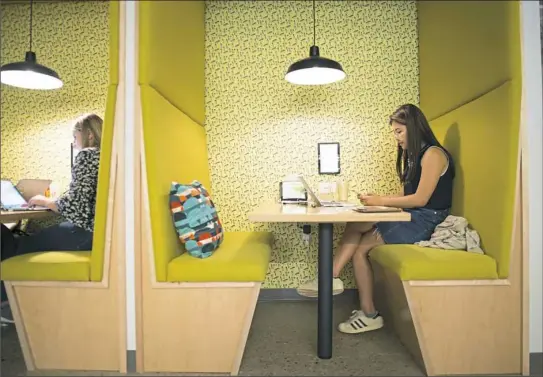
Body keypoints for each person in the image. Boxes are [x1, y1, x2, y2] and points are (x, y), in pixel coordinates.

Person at [296, 103, 455, 334]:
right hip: (413, 215)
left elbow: (420, 200)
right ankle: (362, 306)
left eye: (399, 131)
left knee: (358, 235)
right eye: (395, 133)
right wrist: (377, 202)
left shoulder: (433, 154)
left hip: (426, 220)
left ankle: (332, 281)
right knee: (358, 239)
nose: (396, 138)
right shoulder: (416, 157)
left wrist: (381, 200)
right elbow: (407, 196)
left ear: (413, 127)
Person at [1, 113, 103, 308]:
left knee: (13, 244)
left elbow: (78, 209)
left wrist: (45, 201)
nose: (74, 143)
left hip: (83, 232)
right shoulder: (105, 157)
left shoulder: (87, 155)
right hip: (95, 234)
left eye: (75, 136)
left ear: (89, 135)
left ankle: (8, 303)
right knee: (26, 236)